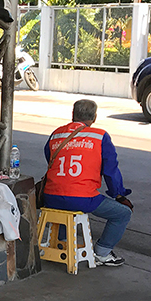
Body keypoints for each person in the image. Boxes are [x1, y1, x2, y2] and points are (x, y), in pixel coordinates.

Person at [42, 99, 133, 267]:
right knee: (123, 214)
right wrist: (119, 195)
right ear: (94, 117)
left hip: (50, 196)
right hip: (82, 198)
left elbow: (50, 158)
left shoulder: (57, 134)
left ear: (73, 115)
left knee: (65, 208)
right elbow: (111, 171)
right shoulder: (100, 136)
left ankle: (62, 243)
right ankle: (102, 253)